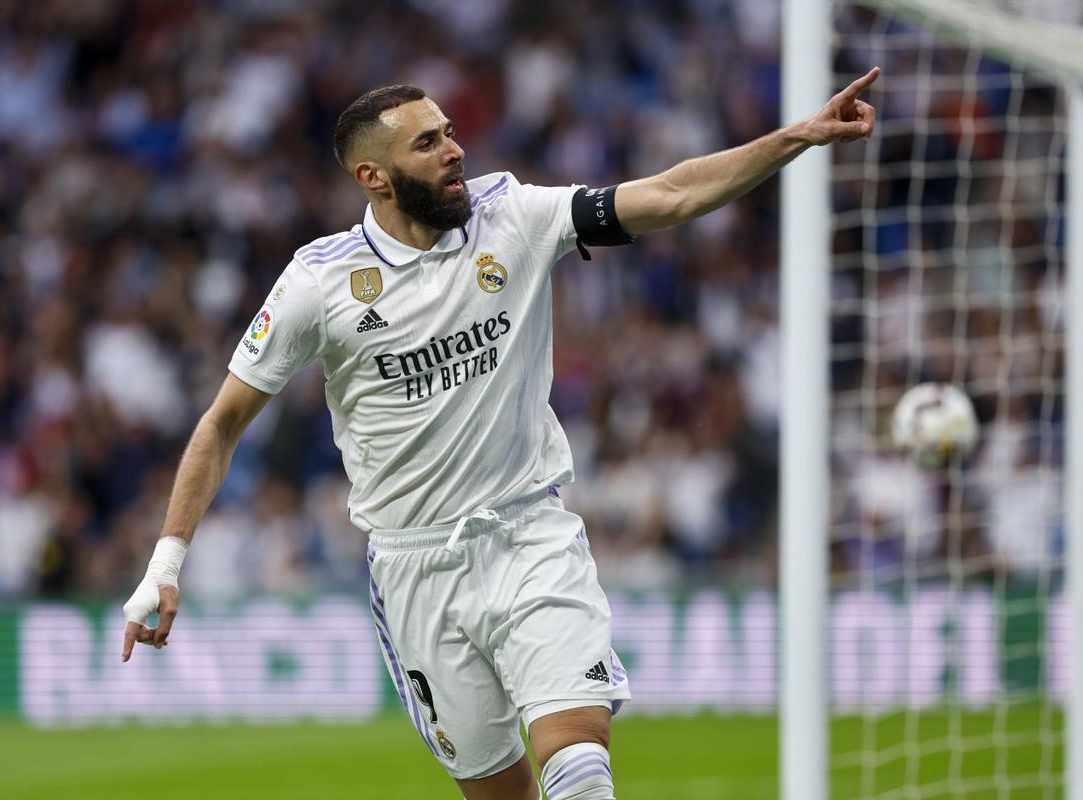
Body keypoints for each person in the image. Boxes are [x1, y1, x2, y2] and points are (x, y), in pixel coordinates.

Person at [122, 67, 880, 800]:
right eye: (426, 143)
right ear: (373, 178)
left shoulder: (512, 215)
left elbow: (672, 194)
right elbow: (221, 424)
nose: (454, 150)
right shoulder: (318, 283)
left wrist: (797, 137)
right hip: (416, 570)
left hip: (530, 537)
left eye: (449, 132)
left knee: (579, 764)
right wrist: (166, 561)